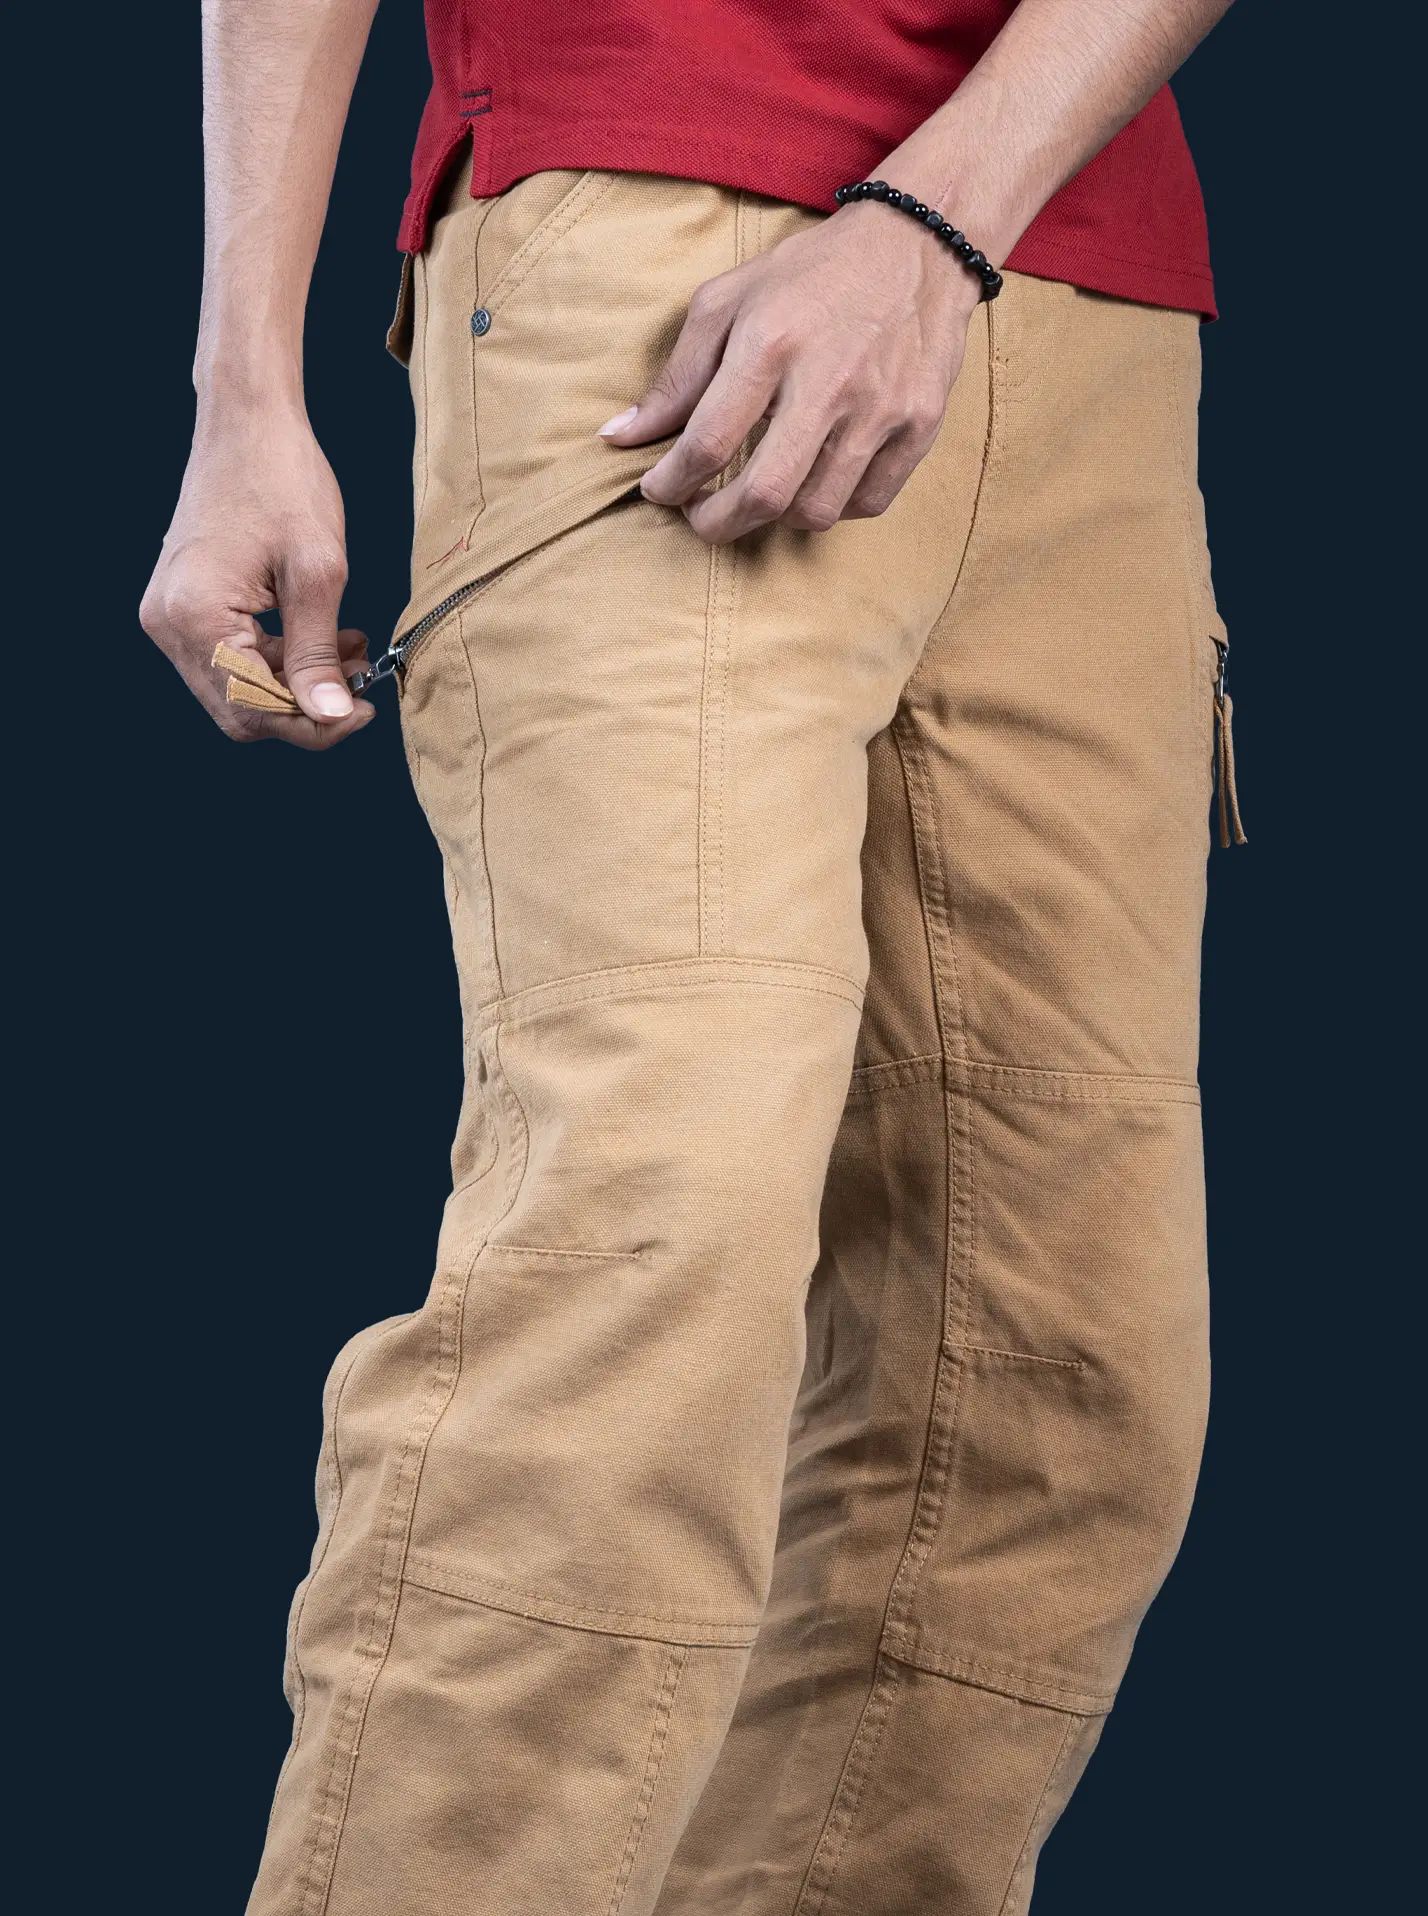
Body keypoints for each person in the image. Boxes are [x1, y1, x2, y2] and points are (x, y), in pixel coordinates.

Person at [141, 1, 1241, 1909]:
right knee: (651, 1254)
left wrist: (943, 217)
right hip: (663, 273)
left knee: (1052, 1379)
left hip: (1084, 284)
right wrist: (245, 382)